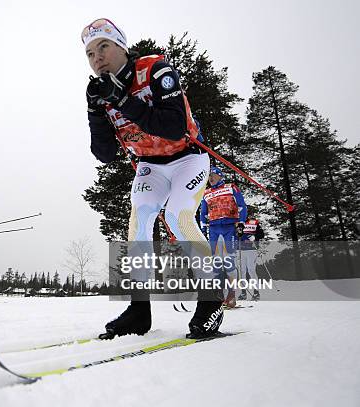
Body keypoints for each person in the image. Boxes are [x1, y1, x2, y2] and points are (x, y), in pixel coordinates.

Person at [82, 18, 223, 339]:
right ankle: (139, 310)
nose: (97, 57)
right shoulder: (101, 91)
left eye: (103, 46)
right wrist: (95, 112)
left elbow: (174, 126)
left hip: (188, 156)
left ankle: (212, 297)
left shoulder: (154, 69)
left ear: (121, 47)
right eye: (90, 53)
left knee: (178, 216)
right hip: (151, 165)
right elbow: (104, 155)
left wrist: (121, 101)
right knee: (139, 223)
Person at [200, 166, 247, 307]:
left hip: (229, 227)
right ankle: (218, 294)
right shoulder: (206, 193)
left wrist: (241, 224)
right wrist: (202, 228)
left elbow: (242, 206)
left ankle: (232, 295)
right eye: (208, 176)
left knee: (228, 260)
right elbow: (203, 213)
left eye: (213, 175)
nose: (210, 178)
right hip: (214, 229)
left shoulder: (231, 187)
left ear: (220, 176)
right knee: (215, 262)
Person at [237, 215, 265, 301]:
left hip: (251, 250)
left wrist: (255, 237)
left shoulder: (253, 222)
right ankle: (243, 293)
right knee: (242, 271)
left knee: (251, 270)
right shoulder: (237, 223)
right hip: (240, 250)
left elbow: (261, 234)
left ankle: (256, 292)